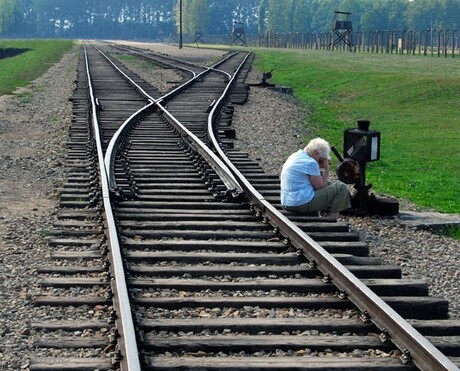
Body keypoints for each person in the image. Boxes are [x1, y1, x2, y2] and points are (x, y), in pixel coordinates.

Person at [280, 138, 351, 219]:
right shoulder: (311, 163)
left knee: (329, 185)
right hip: (299, 204)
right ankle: (332, 219)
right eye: (320, 158)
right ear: (316, 153)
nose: (320, 161)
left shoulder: (295, 155)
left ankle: (321, 213)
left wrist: (318, 166)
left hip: (286, 202)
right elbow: (320, 187)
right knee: (341, 188)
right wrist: (327, 170)